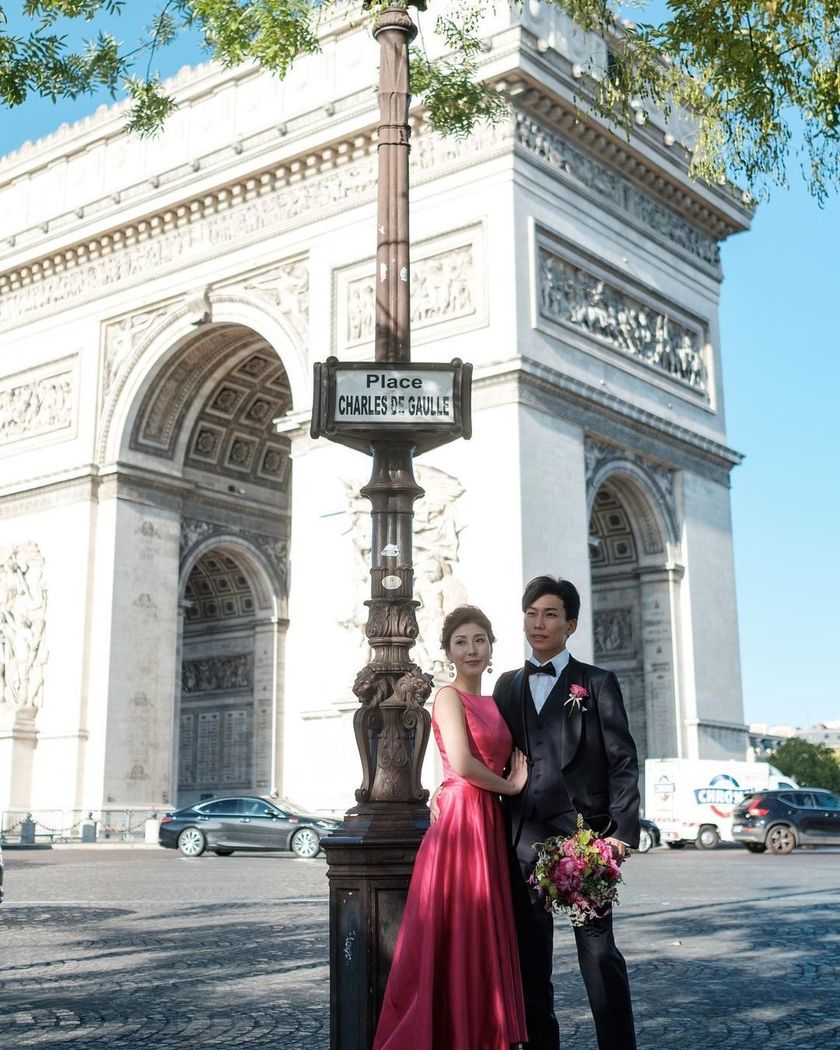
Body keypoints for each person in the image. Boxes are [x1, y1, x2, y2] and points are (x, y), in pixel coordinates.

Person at [494, 575, 641, 1050]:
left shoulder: (597, 683)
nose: (538, 624)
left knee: (599, 957)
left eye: (550, 614)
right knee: (530, 962)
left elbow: (623, 761)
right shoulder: (507, 685)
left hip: (585, 842)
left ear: (570, 625)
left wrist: (619, 833)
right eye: (531, 614)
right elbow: (489, 753)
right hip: (520, 842)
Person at [373, 605, 530, 1050]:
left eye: (479, 640)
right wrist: (511, 785)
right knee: (461, 928)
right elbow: (460, 762)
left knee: (478, 931)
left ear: (491, 647)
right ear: (448, 652)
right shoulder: (447, 697)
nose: (471, 649)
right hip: (462, 819)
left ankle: (478, 1032)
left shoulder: (496, 701)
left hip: (486, 817)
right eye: (461, 642)